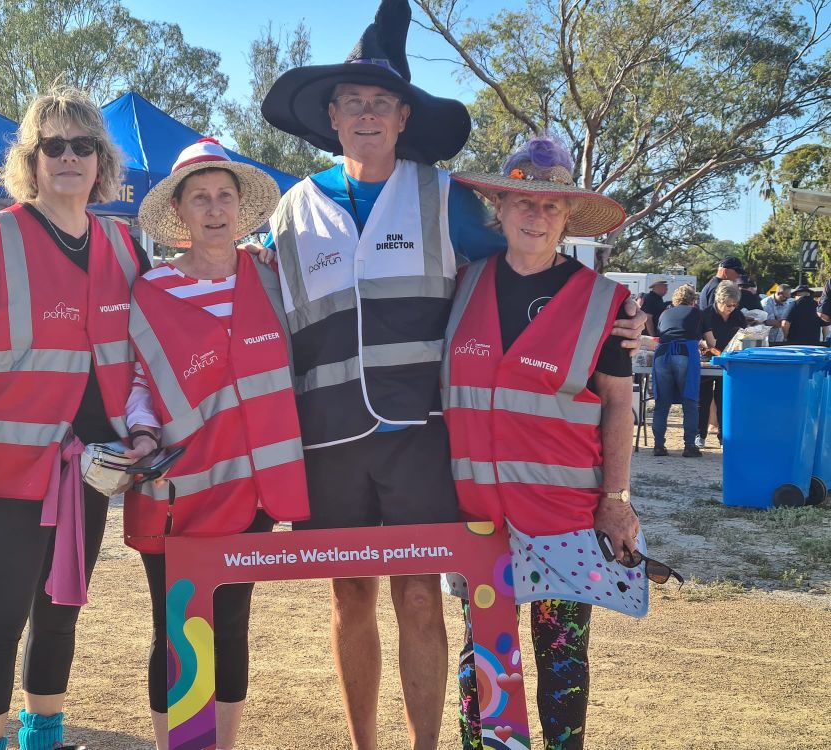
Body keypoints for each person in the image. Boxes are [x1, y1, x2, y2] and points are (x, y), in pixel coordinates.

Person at [259, 2, 647, 747]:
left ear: (404, 116)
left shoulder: (448, 201)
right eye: (353, 103)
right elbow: (255, 312)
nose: (366, 115)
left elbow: (533, 250)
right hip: (331, 440)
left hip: (422, 442)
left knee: (419, 598)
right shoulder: (290, 211)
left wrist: (619, 320)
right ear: (331, 116)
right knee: (348, 600)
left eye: (381, 103)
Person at [0, 88, 148, 750]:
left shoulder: (124, 245)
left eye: (81, 146)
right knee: (1, 619)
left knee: (61, 616)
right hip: (6, 474)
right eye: (51, 146)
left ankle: (44, 737)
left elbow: (155, 339)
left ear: (100, 162)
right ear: (30, 162)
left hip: (89, 474)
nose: (67, 157)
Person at [441, 136, 641, 750]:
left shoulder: (608, 304)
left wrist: (617, 496)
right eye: (523, 201)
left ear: (566, 220)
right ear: (499, 208)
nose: (536, 215)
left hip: (565, 520)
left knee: (560, 664)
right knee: (485, 660)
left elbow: (616, 406)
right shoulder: (459, 285)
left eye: (552, 207)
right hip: (478, 519)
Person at [124, 138, 310, 750]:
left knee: (230, 625)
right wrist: (143, 430)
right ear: (179, 211)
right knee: (176, 629)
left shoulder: (273, 280)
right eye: (199, 198)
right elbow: (134, 379)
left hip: (252, 488)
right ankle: (173, 746)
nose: (213, 209)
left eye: (223, 196)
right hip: (173, 487)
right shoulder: (151, 292)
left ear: (240, 207)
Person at [651, 284, 702, 457]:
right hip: (685, 353)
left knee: (662, 403)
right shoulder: (695, 312)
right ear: (692, 300)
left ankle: (658, 445)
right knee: (689, 401)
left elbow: (662, 333)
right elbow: (708, 339)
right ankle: (689, 446)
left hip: (662, 354)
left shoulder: (665, 313)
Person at [697, 280, 747, 448]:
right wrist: (705, 346)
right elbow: (698, 339)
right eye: (728, 305)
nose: (731, 308)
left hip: (728, 362)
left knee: (724, 398)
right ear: (718, 300)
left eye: (734, 305)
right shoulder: (704, 314)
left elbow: (743, 336)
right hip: (706, 361)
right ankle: (700, 434)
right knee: (703, 398)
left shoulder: (738, 315)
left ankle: (723, 437)